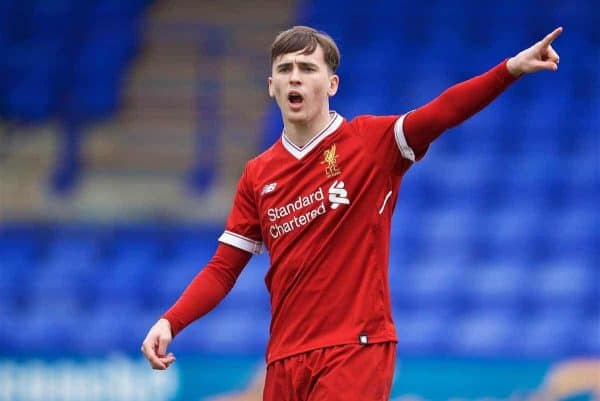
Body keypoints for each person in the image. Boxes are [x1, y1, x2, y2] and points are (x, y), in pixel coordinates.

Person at [142, 25, 562, 400]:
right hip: (285, 360)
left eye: (307, 68)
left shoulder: (370, 143)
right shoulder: (258, 174)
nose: (295, 77)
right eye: (285, 69)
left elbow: (443, 112)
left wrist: (512, 68)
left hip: (355, 348)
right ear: (271, 86)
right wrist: (170, 321)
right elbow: (223, 268)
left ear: (332, 83)